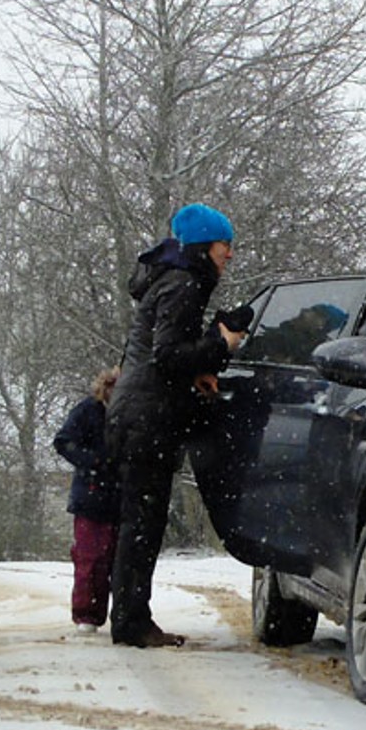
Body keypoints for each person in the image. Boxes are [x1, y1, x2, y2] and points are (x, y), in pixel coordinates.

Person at [104, 203, 247, 648]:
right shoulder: (184, 283)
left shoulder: (173, 280)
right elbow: (168, 356)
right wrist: (220, 345)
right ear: (207, 246)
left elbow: (164, 353)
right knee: (142, 524)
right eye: (226, 245)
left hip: (137, 413)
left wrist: (197, 368)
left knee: (139, 522)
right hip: (148, 419)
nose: (230, 255)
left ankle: (129, 617)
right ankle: (131, 623)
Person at [52, 367, 120, 629]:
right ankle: (87, 615)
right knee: (91, 559)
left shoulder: (131, 413)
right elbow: (63, 442)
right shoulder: (87, 410)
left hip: (120, 497)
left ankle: (118, 615)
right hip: (91, 497)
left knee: (119, 561)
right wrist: (93, 462)